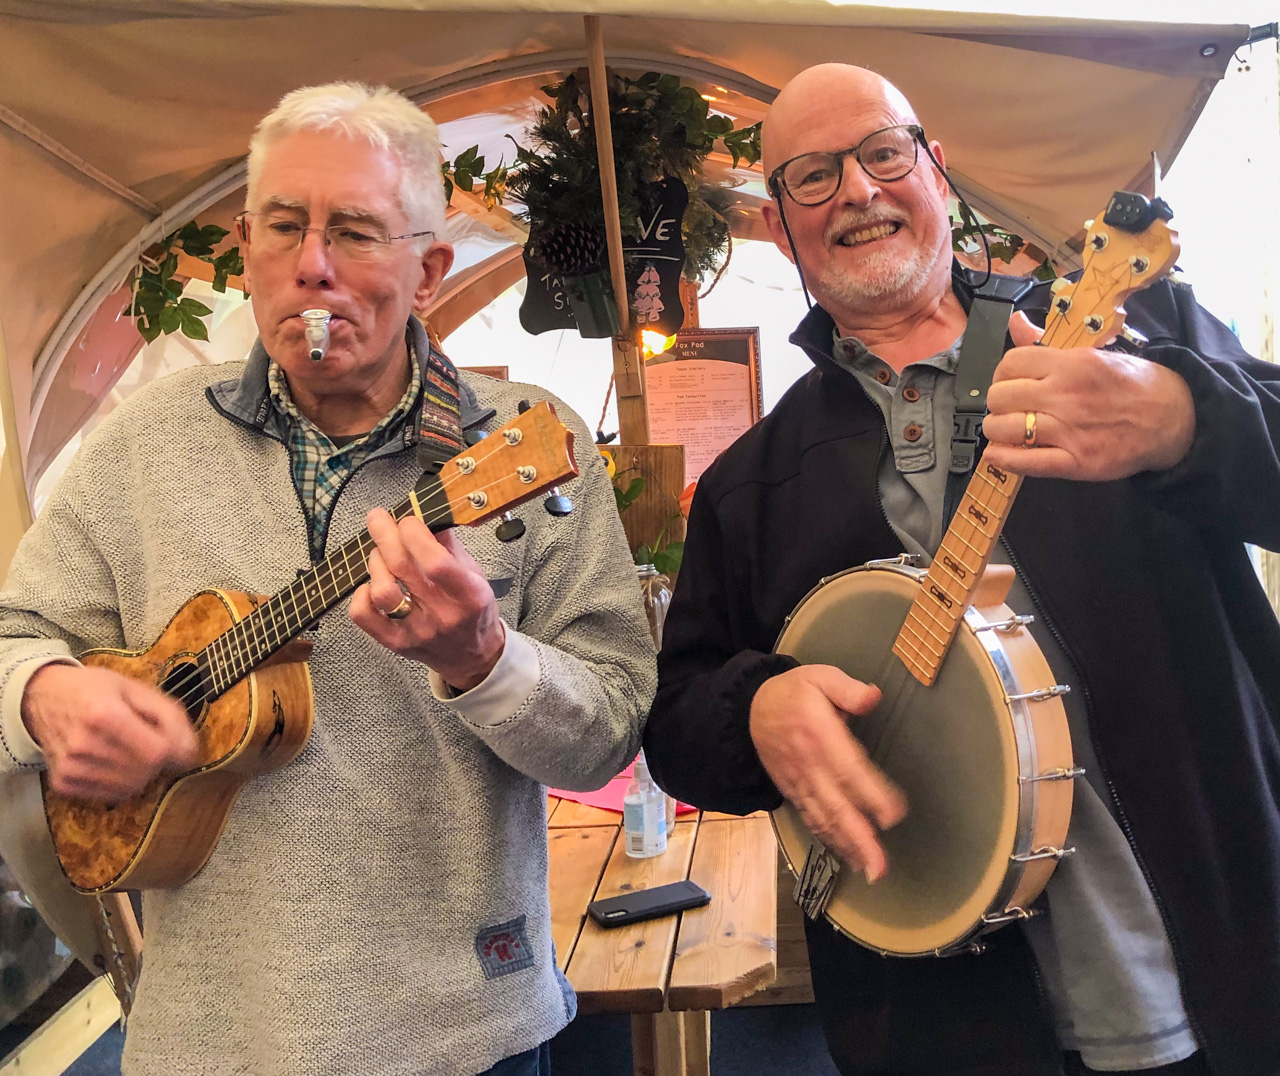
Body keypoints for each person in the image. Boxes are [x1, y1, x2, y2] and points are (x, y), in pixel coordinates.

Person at [0, 83, 656, 1076]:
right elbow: (13, 634)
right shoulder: (139, 445)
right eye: (282, 225)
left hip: (462, 1032)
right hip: (204, 1036)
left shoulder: (524, 441)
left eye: (353, 230)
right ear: (246, 243)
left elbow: (609, 725)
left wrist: (486, 661)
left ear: (430, 270)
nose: (310, 264)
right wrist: (48, 694)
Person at [643, 63, 1280, 1076]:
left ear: (935, 171)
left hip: (1218, 964)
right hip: (936, 1020)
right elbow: (673, 722)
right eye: (809, 176)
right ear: (780, 227)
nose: (854, 189)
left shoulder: (1119, 328)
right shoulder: (747, 484)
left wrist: (1180, 418)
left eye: (881, 152)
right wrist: (753, 706)